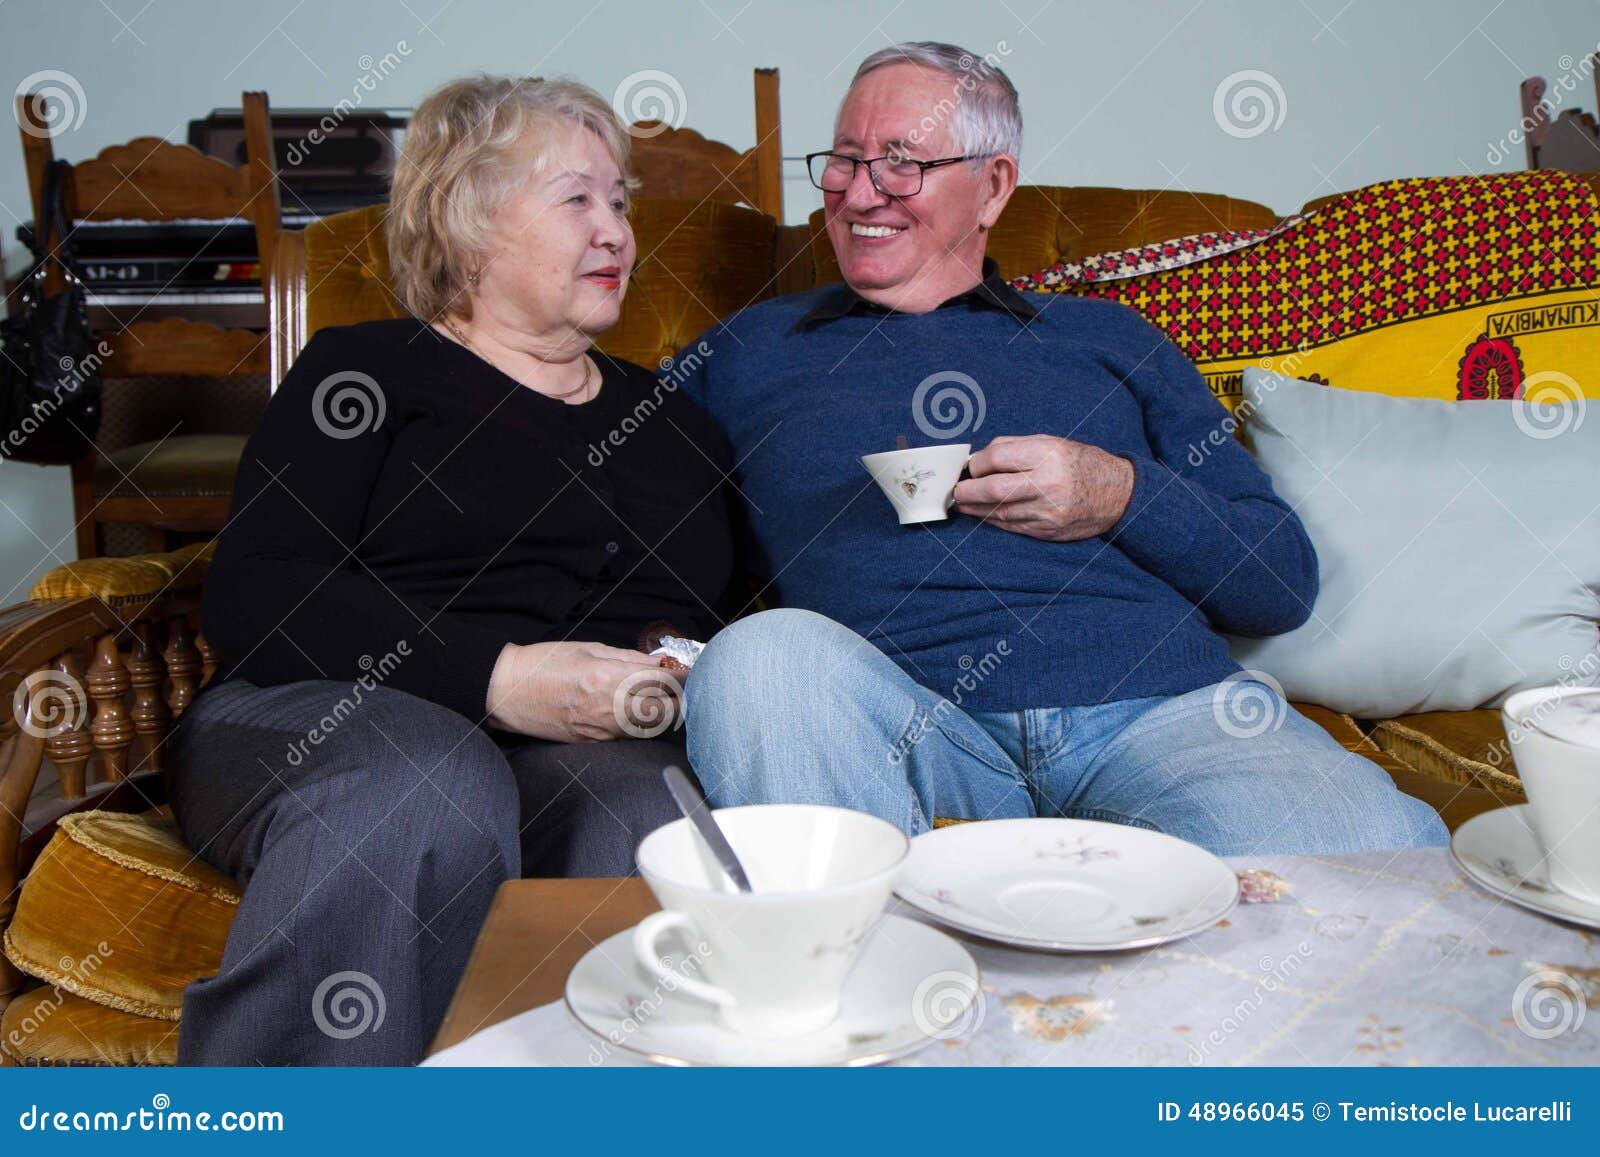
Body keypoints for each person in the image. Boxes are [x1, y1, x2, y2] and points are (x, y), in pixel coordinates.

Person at [678, 42, 1448, 856]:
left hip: (1159, 715)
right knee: (759, 660)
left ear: (994, 186)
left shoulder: (1110, 338)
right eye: (845, 158)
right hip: (909, 723)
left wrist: (1117, 492)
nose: (860, 191)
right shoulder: (745, 354)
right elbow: (632, 511)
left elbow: (1278, 583)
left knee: (1372, 845)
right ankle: (874, 968)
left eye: (902, 163)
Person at [166, 75, 735, 1065]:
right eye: (576, 200)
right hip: (323, 715)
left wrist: (674, 661)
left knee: (647, 811)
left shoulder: (673, 423)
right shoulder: (365, 375)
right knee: (431, 777)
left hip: (576, 751)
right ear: (466, 221)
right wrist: (500, 678)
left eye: (619, 201)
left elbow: (713, 609)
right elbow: (259, 592)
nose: (615, 233)